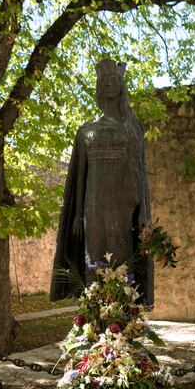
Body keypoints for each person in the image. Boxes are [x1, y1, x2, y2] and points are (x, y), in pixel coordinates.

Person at [50, 58, 153, 304]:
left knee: (120, 261)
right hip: (92, 207)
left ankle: (121, 317)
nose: (107, 84)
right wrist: (76, 215)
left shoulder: (132, 128)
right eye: (102, 80)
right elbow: (80, 176)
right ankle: (95, 317)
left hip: (123, 206)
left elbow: (139, 173)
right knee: (94, 261)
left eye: (113, 79)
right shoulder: (86, 131)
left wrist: (142, 215)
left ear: (121, 85)